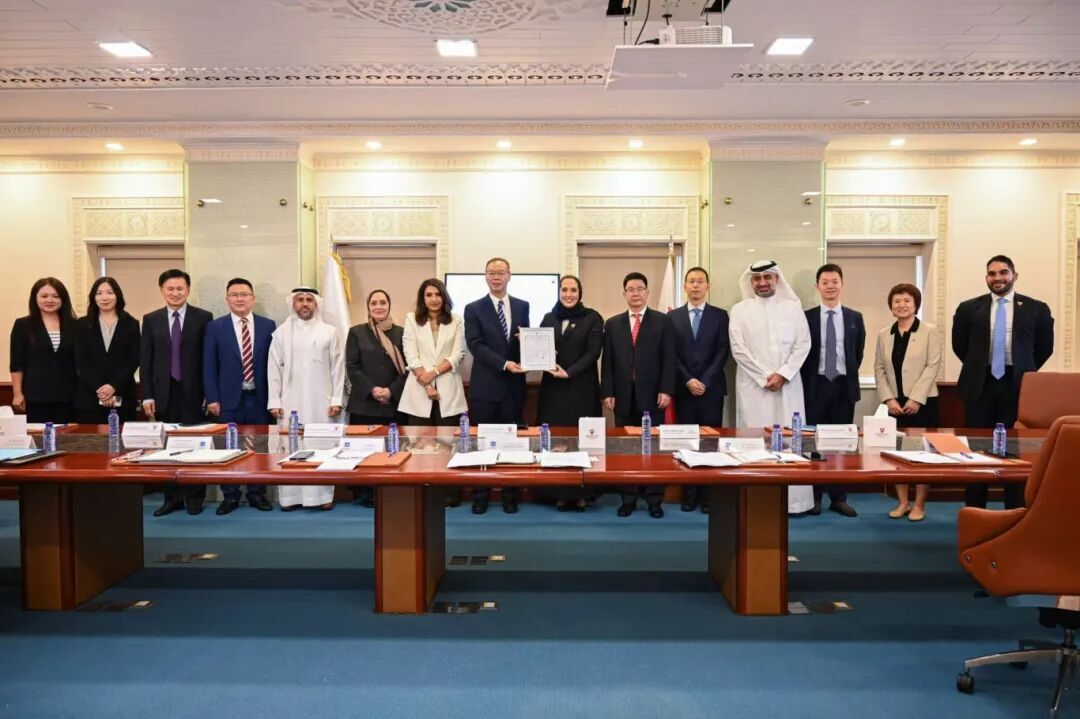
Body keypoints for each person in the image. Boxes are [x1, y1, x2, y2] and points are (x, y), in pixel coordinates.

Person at [952, 255, 1054, 509]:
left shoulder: (1036, 309)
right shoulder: (968, 308)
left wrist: (1022, 369)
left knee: (1015, 450)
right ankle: (975, 509)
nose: (997, 278)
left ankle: (1015, 509)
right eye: (992, 273)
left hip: (1016, 386)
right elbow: (960, 346)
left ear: (1014, 276)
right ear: (986, 278)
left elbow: (1044, 348)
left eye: (1003, 272)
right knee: (975, 451)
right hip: (980, 385)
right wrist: (980, 365)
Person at [729, 260, 814, 515]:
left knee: (790, 440)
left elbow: (803, 345)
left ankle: (794, 503)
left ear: (777, 279)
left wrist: (783, 374)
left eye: (767, 277)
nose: (762, 282)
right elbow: (738, 349)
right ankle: (755, 503)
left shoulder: (793, 308)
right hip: (754, 388)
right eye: (757, 278)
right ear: (751, 282)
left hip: (788, 387)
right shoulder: (739, 310)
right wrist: (766, 375)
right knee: (755, 442)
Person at [601, 272, 676, 519]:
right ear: (624, 294)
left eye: (640, 288)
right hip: (622, 396)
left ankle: (654, 500)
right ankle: (628, 499)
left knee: (654, 448)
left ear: (647, 293)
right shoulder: (613, 324)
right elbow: (608, 361)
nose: (635, 293)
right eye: (630, 289)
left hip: (654, 396)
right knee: (625, 449)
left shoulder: (662, 322)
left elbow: (669, 358)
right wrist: (608, 391)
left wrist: (666, 389)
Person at [141, 269, 214, 516]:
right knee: (167, 446)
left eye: (180, 288)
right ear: (162, 291)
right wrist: (147, 395)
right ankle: (171, 499)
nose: (175, 293)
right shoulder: (151, 319)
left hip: (194, 392)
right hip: (164, 392)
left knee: (197, 445)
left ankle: (194, 498)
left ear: (188, 290)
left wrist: (209, 393)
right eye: (170, 289)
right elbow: (146, 359)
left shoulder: (203, 317)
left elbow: (208, 359)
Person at [268, 287, 345, 512]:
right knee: (291, 446)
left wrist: (336, 399)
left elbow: (338, 368)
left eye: (309, 300)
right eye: (300, 300)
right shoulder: (281, 333)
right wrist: (274, 401)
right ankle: (290, 497)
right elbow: (274, 369)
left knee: (321, 444)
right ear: (293, 304)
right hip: (289, 401)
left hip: (322, 402)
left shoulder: (329, 332)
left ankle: (321, 496)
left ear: (316, 304)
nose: (304, 304)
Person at [203, 278, 276, 515]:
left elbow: (274, 364)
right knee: (227, 448)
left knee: (259, 448)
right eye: (234, 294)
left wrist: (275, 398)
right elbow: (208, 365)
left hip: (259, 399)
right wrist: (212, 397)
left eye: (244, 294)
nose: (239, 298)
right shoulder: (216, 327)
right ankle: (230, 496)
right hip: (227, 400)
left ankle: (257, 493)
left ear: (253, 298)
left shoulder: (267, 326)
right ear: (227, 299)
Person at [463, 257, 530, 515]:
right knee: (483, 443)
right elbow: (475, 345)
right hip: (485, 388)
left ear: (509, 276)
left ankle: (509, 495)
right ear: (485, 277)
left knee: (511, 444)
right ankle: (481, 495)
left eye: (500, 272)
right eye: (491, 273)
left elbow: (525, 340)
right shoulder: (473, 308)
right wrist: (504, 364)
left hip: (514, 388)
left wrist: (532, 350)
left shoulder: (522, 306)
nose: (496, 277)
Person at [799, 263, 866, 518]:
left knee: (842, 444)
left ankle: (839, 498)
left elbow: (857, 353)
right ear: (817, 286)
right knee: (814, 442)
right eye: (825, 282)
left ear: (842, 285)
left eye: (834, 282)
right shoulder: (806, 317)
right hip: (814, 386)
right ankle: (814, 497)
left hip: (843, 387)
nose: (830, 287)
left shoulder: (854, 318)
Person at [874, 284, 943, 522]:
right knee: (898, 454)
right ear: (891, 306)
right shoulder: (885, 334)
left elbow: (933, 365)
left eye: (906, 300)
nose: (901, 305)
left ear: (916, 305)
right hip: (894, 403)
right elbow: (879, 368)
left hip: (923, 402)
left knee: (923, 454)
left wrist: (916, 398)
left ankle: (919, 504)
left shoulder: (930, 331)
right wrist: (888, 398)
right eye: (896, 301)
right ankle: (903, 502)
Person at [537, 274, 603, 511]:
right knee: (556, 440)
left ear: (580, 293)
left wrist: (570, 372)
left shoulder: (592, 318)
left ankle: (581, 492)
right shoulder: (548, 317)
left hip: (581, 387)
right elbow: (540, 347)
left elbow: (593, 352)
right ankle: (559, 492)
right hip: (553, 390)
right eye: (564, 289)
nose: (568, 294)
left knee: (581, 440)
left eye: (573, 290)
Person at [669, 266, 729, 514]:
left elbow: (723, 351)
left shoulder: (720, 316)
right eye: (691, 281)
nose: (695, 285)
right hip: (684, 390)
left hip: (711, 390)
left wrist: (704, 380)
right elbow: (671, 354)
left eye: (700, 281)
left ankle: (708, 496)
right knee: (687, 443)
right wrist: (688, 380)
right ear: (685, 286)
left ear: (708, 286)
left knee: (710, 443)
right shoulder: (672, 317)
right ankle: (689, 494)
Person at [345, 289, 408, 507]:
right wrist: (372, 389)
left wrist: (391, 390)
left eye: (382, 302)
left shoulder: (402, 333)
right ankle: (366, 492)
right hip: (364, 404)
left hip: (394, 403)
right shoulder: (356, 332)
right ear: (368, 307)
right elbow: (352, 366)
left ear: (389, 305)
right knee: (364, 451)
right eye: (374, 303)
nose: (378, 307)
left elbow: (410, 368)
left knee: (392, 451)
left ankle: (391, 491)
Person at [399, 278, 467, 428]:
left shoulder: (456, 320)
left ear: (444, 297)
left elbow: (458, 354)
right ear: (422, 298)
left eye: (438, 294)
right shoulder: (411, 319)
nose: (434, 299)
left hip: (448, 390)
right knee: (419, 440)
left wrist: (434, 372)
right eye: (428, 295)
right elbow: (410, 354)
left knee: (448, 440)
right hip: (419, 389)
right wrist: (428, 385)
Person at [73, 276, 140, 424]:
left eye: (109, 292)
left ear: (117, 295)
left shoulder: (131, 324)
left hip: (123, 396)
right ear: (93, 297)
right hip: (90, 398)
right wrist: (101, 390)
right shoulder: (82, 324)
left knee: (121, 438)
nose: (104, 297)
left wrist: (114, 386)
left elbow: (134, 359)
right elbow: (81, 362)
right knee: (90, 438)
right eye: (99, 293)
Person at [9, 278, 78, 423]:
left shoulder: (75, 325)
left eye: (55, 296)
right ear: (35, 298)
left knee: (67, 436)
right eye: (44, 296)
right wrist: (17, 393)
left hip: (69, 396)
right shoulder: (23, 325)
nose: (49, 300)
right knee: (39, 436)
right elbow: (16, 363)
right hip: (35, 397)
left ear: (63, 299)